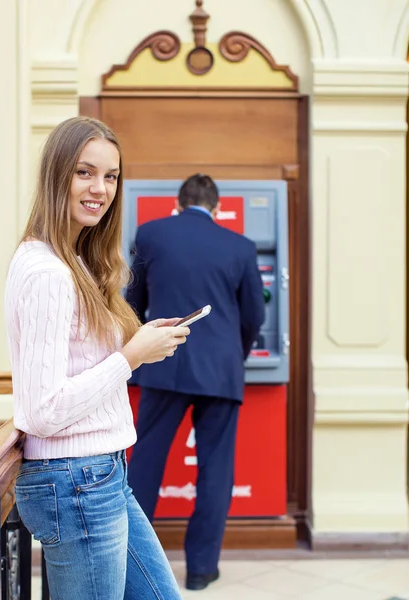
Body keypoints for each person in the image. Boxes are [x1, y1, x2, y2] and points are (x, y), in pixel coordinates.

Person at [4, 116, 190, 600]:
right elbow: (44, 410)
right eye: (85, 172)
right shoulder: (49, 272)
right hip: (76, 480)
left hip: (96, 474)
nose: (100, 189)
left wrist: (139, 343)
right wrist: (129, 358)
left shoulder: (73, 261)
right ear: (56, 175)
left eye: (110, 176)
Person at [126, 173, 265, 591]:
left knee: (145, 464)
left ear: (178, 203)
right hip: (220, 371)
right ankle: (202, 571)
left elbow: (134, 303)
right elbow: (254, 316)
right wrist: (231, 357)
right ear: (217, 207)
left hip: (162, 364)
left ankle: (133, 561)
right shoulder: (240, 246)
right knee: (215, 471)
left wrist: (140, 349)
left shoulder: (151, 234)